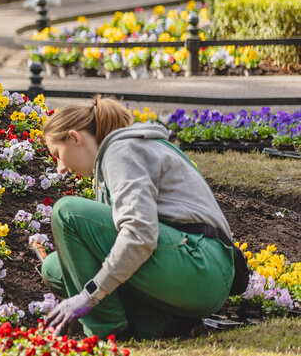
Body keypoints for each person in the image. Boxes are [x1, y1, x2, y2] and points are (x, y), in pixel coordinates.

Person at [39, 96, 244, 339]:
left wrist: (88, 296)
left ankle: (108, 330)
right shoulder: (114, 157)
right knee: (54, 267)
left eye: (58, 154)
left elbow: (140, 234)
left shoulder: (120, 151)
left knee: (66, 212)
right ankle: (161, 323)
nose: (60, 168)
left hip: (202, 266)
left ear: (74, 137)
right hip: (187, 268)